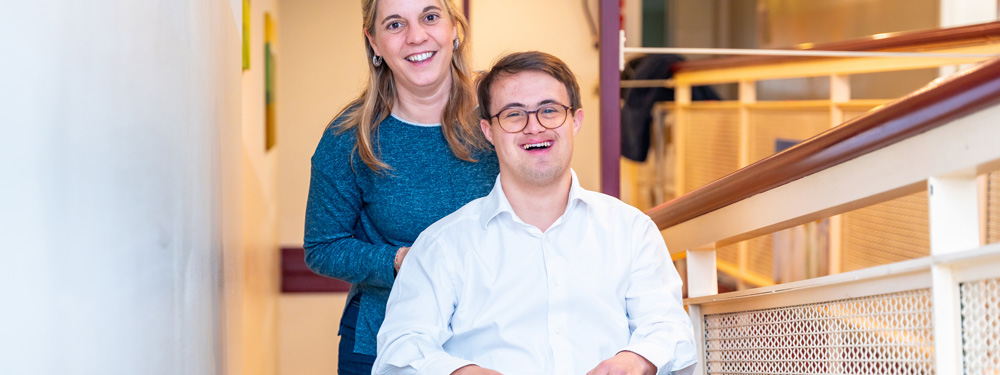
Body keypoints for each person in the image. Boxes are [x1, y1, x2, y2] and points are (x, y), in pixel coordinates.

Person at [373, 51, 696, 375]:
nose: (534, 126)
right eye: (514, 114)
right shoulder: (442, 246)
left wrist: (636, 360)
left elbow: (669, 328)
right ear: (488, 130)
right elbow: (398, 350)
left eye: (549, 110)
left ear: (576, 120)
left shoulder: (631, 230)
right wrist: (462, 372)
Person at [303, 0, 498, 373]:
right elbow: (322, 247)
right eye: (394, 25)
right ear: (373, 42)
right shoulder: (349, 137)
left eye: (429, 17)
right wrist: (400, 261)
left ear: (454, 27)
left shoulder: (500, 117)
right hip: (383, 341)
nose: (416, 36)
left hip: (491, 337)